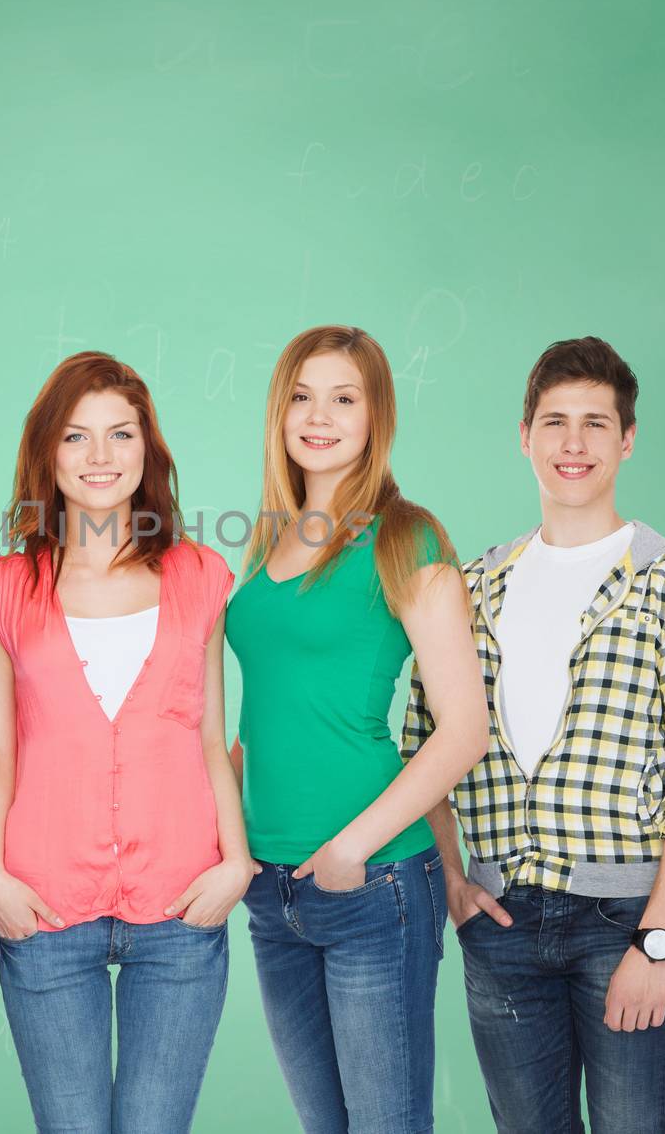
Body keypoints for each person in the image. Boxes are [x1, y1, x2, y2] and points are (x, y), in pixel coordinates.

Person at [406, 336, 665, 1134]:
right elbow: (423, 745)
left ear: (627, 440)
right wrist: (454, 880)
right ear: (523, 436)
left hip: (620, 925)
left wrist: (656, 943)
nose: (573, 443)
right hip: (500, 924)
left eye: (596, 424)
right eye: (555, 421)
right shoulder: (475, 585)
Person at [0, 351, 251, 1134]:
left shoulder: (202, 575)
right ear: (47, 455)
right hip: (45, 904)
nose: (99, 458)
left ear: (147, 450)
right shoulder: (4, 586)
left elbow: (209, 735)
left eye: (119, 435)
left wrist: (235, 863)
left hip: (181, 904)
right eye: (76, 437)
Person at [225, 325, 489, 1134]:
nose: (320, 416)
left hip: (373, 884)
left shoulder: (406, 537)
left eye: (345, 398)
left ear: (377, 417)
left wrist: (350, 850)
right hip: (272, 890)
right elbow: (263, 722)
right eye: (302, 396)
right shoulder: (268, 543)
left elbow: (464, 729)